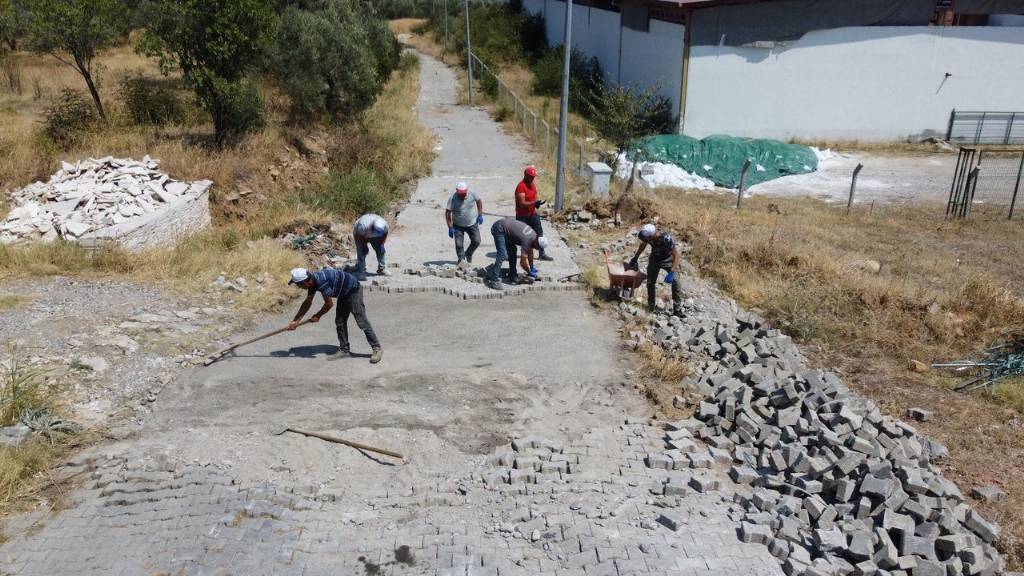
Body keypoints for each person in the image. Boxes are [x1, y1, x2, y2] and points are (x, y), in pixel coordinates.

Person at [287, 267, 382, 364]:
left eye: (298, 285)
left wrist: (318, 315)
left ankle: (377, 348)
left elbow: (329, 304)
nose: (299, 287)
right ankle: (344, 350)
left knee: (361, 321)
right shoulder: (312, 282)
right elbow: (307, 303)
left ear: (305, 282)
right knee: (340, 322)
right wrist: (296, 321)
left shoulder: (320, 281)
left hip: (354, 291)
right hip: (343, 294)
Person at [628, 223, 683, 317]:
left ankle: (677, 310)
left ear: (652, 235)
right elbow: (643, 245)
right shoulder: (648, 237)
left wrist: (672, 272)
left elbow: (677, 255)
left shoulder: (666, 238)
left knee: (676, 282)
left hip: (667, 260)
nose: (646, 240)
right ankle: (651, 306)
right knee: (650, 282)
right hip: (654, 259)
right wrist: (635, 257)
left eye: (647, 238)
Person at [486, 217, 549, 290]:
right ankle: (494, 280)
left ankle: (512, 275)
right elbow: (522, 262)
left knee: (513, 250)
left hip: (507, 231)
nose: (537, 249)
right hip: (499, 229)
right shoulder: (527, 240)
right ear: (537, 243)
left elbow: (530, 252)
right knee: (502, 253)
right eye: (538, 247)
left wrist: (532, 267)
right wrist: (529, 272)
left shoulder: (534, 236)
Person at [515, 165, 553, 261]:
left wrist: (536, 204)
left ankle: (542, 253)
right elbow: (521, 203)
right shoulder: (521, 186)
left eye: (534, 176)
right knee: (523, 236)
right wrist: (533, 203)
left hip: (532, 214)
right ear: (526, 175)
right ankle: (523, 254)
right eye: (531, 176)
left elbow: (534, 196)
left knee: (539, 233)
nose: (533, 178)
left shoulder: (532, 184)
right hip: (522, 216)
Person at [445, 182, 484, 269]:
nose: (462, 195)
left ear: (467, 191)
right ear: (457, 191)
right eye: (460, 194)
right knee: (459, 244)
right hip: (458, 225)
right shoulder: (452, 198)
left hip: (472, 223)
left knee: (477, 241)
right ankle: (461, 260)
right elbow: (448, 213)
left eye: (464, 193)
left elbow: (479, 201)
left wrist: (480, 214)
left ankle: (468, 254)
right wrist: (450, 227)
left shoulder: (473, 193)